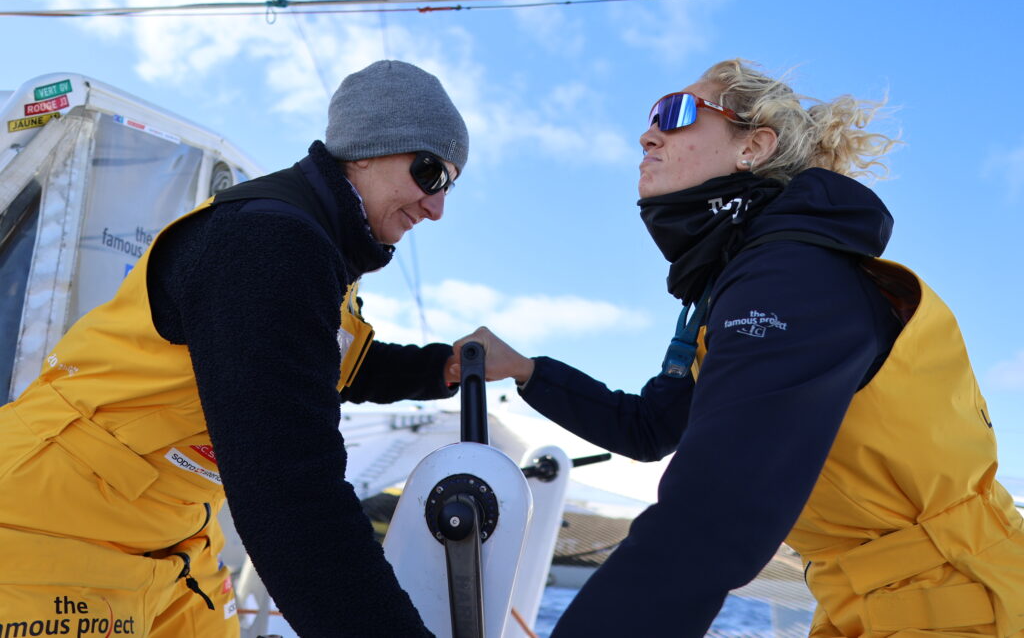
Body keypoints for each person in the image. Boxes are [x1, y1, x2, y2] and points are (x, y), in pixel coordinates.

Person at [454, 59, 1024, 637]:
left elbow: (715, 518)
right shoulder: (738, 285)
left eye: (675, 112)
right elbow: (652, 427)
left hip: (963, 600)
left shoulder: (794, 277)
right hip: (869, 605)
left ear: (754, 146)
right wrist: (527, 372)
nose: (648, 133)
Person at [0, 60, 467, 637]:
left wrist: (448, 365)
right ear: (364, 146)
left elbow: (348, 364)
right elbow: (290, 489)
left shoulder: (319, 256)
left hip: (172, 531)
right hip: (51, 519)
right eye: (430, 173)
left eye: (450, 183)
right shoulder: (269, 243)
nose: (437, 205)